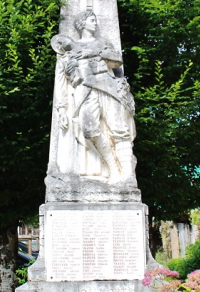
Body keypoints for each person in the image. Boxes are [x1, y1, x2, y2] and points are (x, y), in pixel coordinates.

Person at [51, 10, 136, 185]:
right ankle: (113, 168)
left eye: (95, 20)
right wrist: (60, 108)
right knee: (89, 131)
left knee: (119, 130)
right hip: (84, 92)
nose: (95, 23)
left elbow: (116, 60)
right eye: (91, 20)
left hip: (108, 88)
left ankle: (127, 175)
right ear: (82, 23)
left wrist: (90, 53)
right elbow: (60, 80)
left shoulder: (103, 43)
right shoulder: (68, 53)